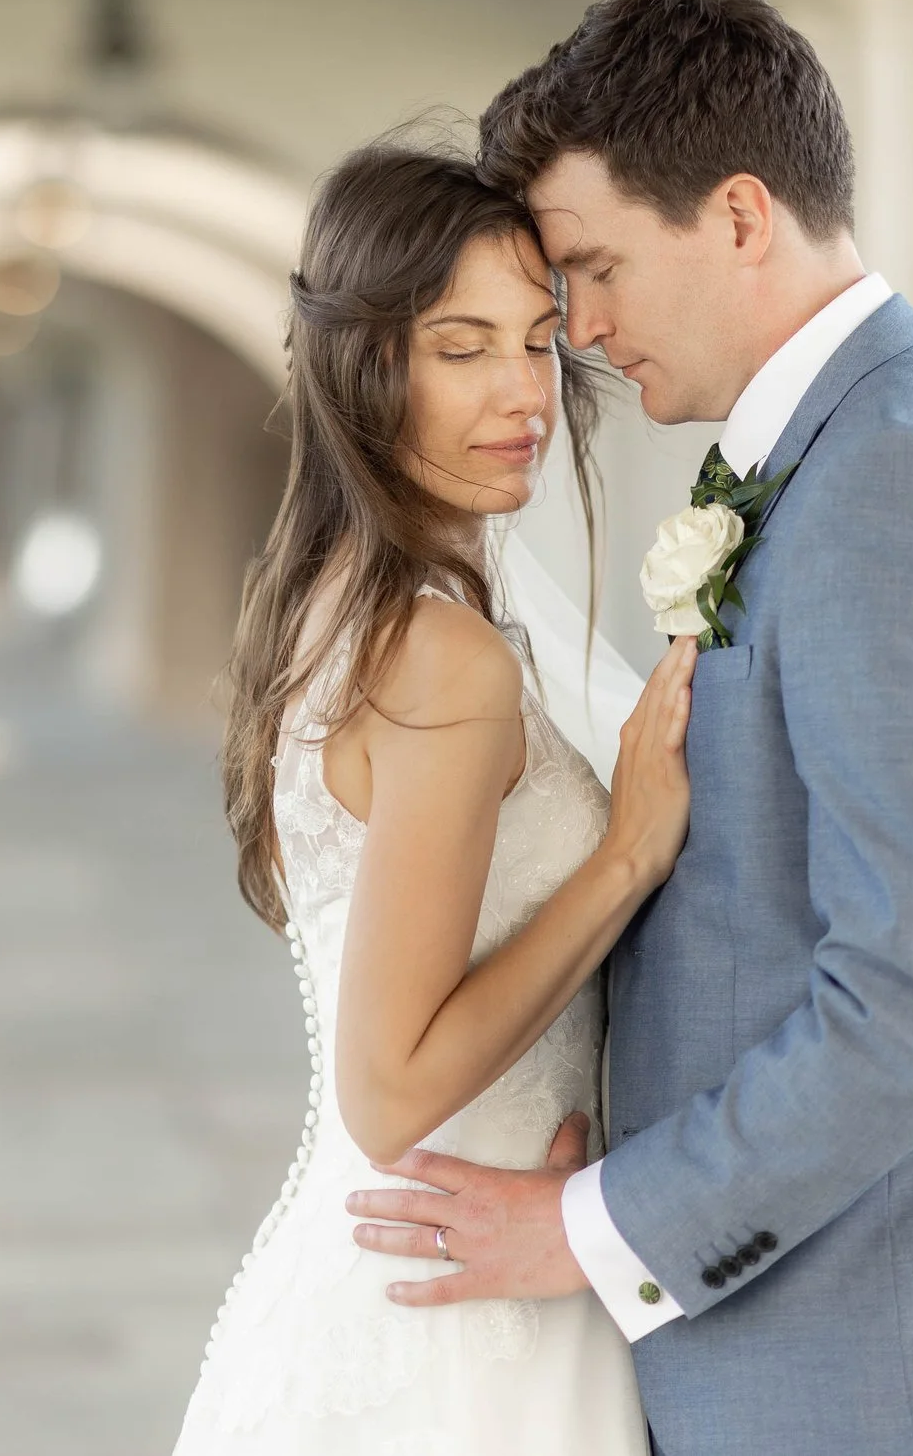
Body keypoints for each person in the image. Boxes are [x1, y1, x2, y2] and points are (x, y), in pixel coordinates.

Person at [346, 0, 913, 1456]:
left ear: (739, 216)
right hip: (820, 1328)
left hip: (866, 1347)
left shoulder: (893, 482)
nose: (583, 330)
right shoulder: (843, 449)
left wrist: (593, 1225)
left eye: (593, 268)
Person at [171, 141, 693, 1454]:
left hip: (406, 1274)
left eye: (536, 342)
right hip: (457, 1327)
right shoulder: (442, 655)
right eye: (463, 348)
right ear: (368, 365)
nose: (523, 393)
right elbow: (391, 1087)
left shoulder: (343, 606)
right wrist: (624, 855)